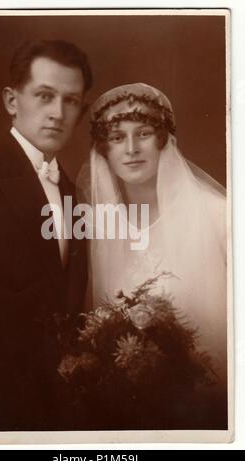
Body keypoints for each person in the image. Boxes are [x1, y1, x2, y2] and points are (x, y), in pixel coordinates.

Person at [78, 83, 227, 428]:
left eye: (143, 133)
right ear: (104, 150)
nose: (131, 149)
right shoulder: (97, 228)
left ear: (164, 141)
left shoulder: (221, 217)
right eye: (117, 137)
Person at [0, 40, 92, 431]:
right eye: (45, 96)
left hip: (54, 406)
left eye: (71, 101)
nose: (57, 113)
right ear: (11, 100)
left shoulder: (74, 193)